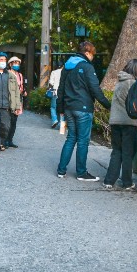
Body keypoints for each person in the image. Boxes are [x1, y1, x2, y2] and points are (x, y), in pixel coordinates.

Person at [56, 41, 111, 181]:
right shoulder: (87, 67)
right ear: (87, 53)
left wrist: (60, 108)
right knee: (82, 141)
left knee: (71, 138)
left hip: (69, 108)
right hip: (83, 109)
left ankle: (61, 170)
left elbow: (60, 89)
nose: (93, 56)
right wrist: (108, 105)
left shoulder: (67, 66)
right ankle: (81, 173)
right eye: (92, 54)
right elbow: (95, 89)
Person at [103, 59, 137, 190]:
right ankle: (127, 182)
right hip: (129, 122)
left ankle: (109, 180)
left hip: (115, 121)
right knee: (128, 153)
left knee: (117, 151)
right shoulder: (133, 83)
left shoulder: (120, 82)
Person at [5, 56, 25, 148]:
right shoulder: (7, 74)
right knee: (7, 121)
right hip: (9, 100)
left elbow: (21, 87)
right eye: (15, 63)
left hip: (18, 100)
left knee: (14, 122)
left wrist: (23, 91)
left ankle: (10, 140)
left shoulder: (20, 75)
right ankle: (4, 140)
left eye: (18, 63)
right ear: (10, 64)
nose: (16, 65)